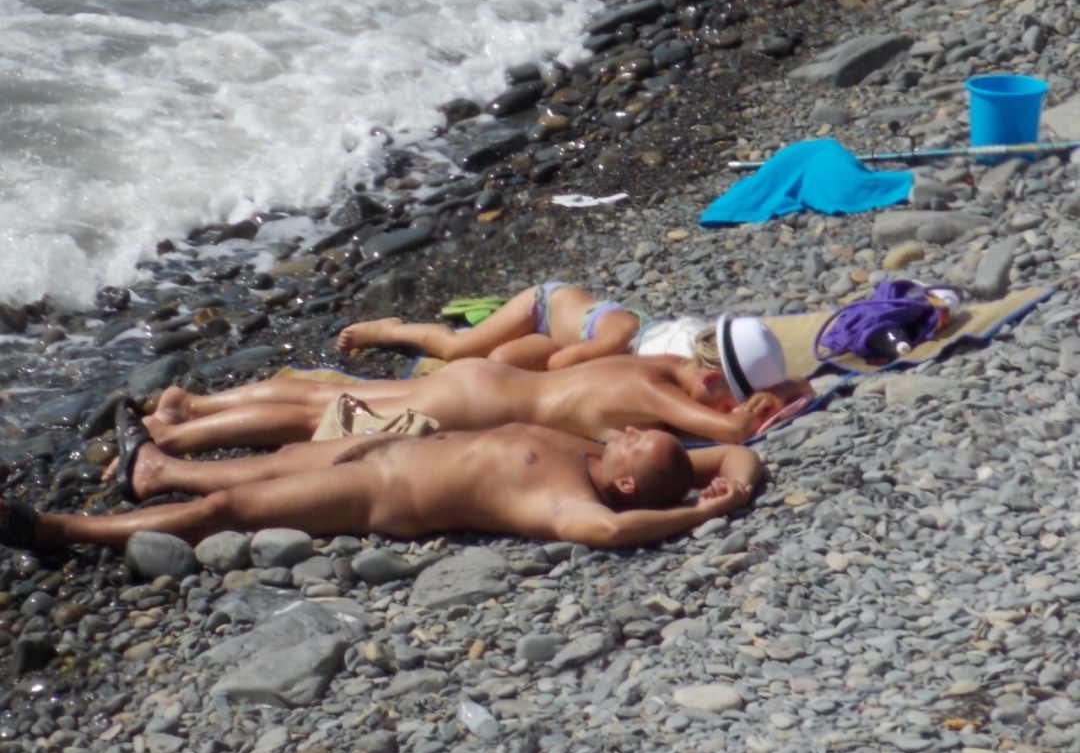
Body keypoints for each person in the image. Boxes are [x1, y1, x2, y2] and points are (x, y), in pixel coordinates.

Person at [1, 424, 762, 552]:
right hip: (387, 455)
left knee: (225, 512)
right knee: (281, 457)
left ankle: (59, 531)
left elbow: (610, 533)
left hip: (378, 501)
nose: (628, 430)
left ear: (627, 477)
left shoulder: (573, 499)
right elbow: (729, 452)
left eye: (638, 442)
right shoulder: (607, 460)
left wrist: (691, 524)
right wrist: (733, 493)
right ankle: (153, 472)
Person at [139, 349, 811, 458]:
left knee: (330, 393)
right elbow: (725, 435)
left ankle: (192, 402)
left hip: (487, 378)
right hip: (477, 405)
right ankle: (178, 440)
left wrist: (784, 382)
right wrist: (760, 412)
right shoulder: (654, 391)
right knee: (320, 417)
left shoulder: (653, 363)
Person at [335, 281, 781, 378]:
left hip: (566, 335)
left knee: (499, 365)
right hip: (544, 307)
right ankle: (390, 330)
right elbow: (563, 362)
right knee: (458, 349)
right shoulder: (617, 341)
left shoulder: (686, 337)